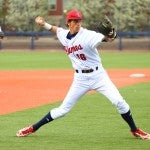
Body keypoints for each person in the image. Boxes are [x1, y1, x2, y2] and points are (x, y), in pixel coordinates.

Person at [16, 10, 150, 140]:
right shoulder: (64, 34)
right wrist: (44, 24)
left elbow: (107, 39)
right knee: (63, 110)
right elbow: (56, 30)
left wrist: (111, 34)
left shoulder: (88, 35)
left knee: (119, 102)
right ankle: (33, 128)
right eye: (75, 20)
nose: (78, 23)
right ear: (68, 22)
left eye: (79, 20)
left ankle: (134, 130)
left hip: (99, 76)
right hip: (80, 79)